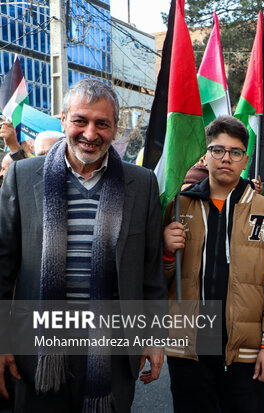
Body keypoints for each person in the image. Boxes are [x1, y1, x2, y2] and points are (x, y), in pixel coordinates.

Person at [0, 78, 167, 412]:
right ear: (63, 120)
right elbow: (3, 266)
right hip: (36, 350)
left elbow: (151, 271)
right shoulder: (22, 176)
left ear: (116, 128)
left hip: (114, 353)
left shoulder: (142, 184)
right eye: (80, 121)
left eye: (102, 124)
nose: (90, 134)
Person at [162, 116, 264, 413]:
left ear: (245, 159)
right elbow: (157, 279)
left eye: (235, 152)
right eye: (218, 150)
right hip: (189, 347)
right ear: (205, 156)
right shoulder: (177, 207)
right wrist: (167, 254)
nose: (226, 158)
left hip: (246, 349)